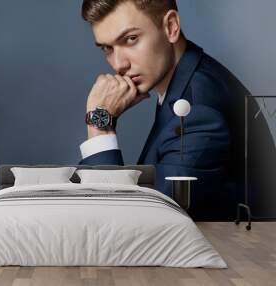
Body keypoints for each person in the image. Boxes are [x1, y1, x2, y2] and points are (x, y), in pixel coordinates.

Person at [77, 0, 257, 220]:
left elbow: (133, 224)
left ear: (171, 26)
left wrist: (99, 124)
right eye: (107, 48)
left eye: (131, 39)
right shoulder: (187, 82)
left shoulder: (198, 111)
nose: (118, 64)